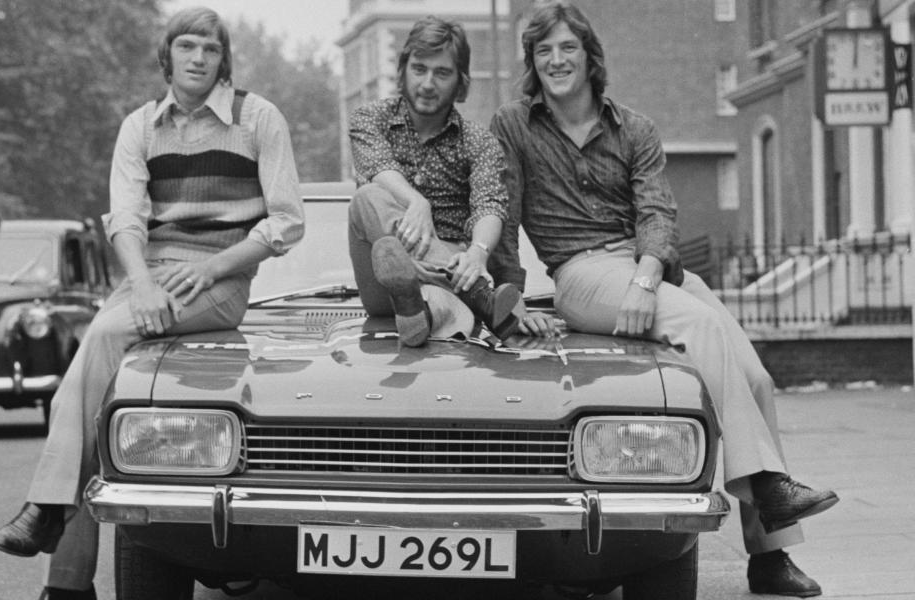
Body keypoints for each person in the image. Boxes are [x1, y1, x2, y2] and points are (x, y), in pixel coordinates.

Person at [488, 3, 838, 597]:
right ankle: (766, 484)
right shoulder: (514, 126)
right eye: (543, 51)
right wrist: (508, 297)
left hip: (648, 267)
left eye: (567, 48)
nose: (555, 61)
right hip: (583, 272)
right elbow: (503, 204)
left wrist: (648, 276)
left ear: (590, 55)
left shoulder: (636, 129)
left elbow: (657, 210)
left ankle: (769, 557)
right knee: (700, 327)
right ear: (532, 63)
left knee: (753, 379)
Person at [0, 8, 305, 599]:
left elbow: (287, 222)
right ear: (168, 55)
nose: (198, 58)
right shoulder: (141, 126)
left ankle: (47, 514)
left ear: (223, 58)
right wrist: (145, 284)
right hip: (149, 277)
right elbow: (126, 220)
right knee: (87, 400)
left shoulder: (258, 118)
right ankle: (66, 583)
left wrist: (214, 265)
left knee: (102, 342)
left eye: (210, 48)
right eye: (187, 46)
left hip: (221, 280)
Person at [347, 16, 525, 347]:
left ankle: (417, 314)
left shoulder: (479, 142)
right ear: (402, 72)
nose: (428, 83)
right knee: (367, 197)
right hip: (380, 267)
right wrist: (418, 202)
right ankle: (478, 294)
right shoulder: (369, 118)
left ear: (461, 83)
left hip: (456, 270)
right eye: (419, 69)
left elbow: (490, 204)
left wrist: (477, 254)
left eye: (442, 73)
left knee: (439, 302)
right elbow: (378, 165)